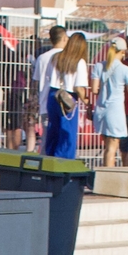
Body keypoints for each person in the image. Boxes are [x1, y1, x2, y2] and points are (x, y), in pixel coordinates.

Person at [40, 30, 92, 160]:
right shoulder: (79, 62)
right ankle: (64, 161)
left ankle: (50, 158)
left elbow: (49, 76)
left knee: (54, 130)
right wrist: (86, 101)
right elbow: (79, 88)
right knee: (67, 133)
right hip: (67, 97)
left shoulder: (56, 57)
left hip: (53, 94)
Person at [27, 24, 66, 151]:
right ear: (64, 38)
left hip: (45, 103)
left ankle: (44, 166)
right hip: (65, 104)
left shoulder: (42, 58)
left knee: (46, 139)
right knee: (63, 138)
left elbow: (35, 82)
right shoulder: (68, 57)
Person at [95, 38, 128, 161]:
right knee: (112, 148)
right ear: (123, 52)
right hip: (115, 111)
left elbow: (94, 89)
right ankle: (108, 177)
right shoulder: (125, 70)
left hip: (100, 109)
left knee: (107, 145)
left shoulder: (99, 66)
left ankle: (104, 175)